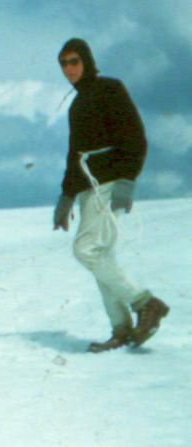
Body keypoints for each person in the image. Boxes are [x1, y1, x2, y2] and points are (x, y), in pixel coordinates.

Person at [53, 38, 169, 352]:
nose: (69, 69)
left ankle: (145, 303)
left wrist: (127, 181)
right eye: (63, 63)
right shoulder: (77, 104)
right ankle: (120, 329)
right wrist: (66, 198)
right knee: (102, 255)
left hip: (110, 181)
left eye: (74, 61)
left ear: (87, 61)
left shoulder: (109, 89)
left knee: (86, 249)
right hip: (89, 184)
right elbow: (74, 155)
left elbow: (135, 136)